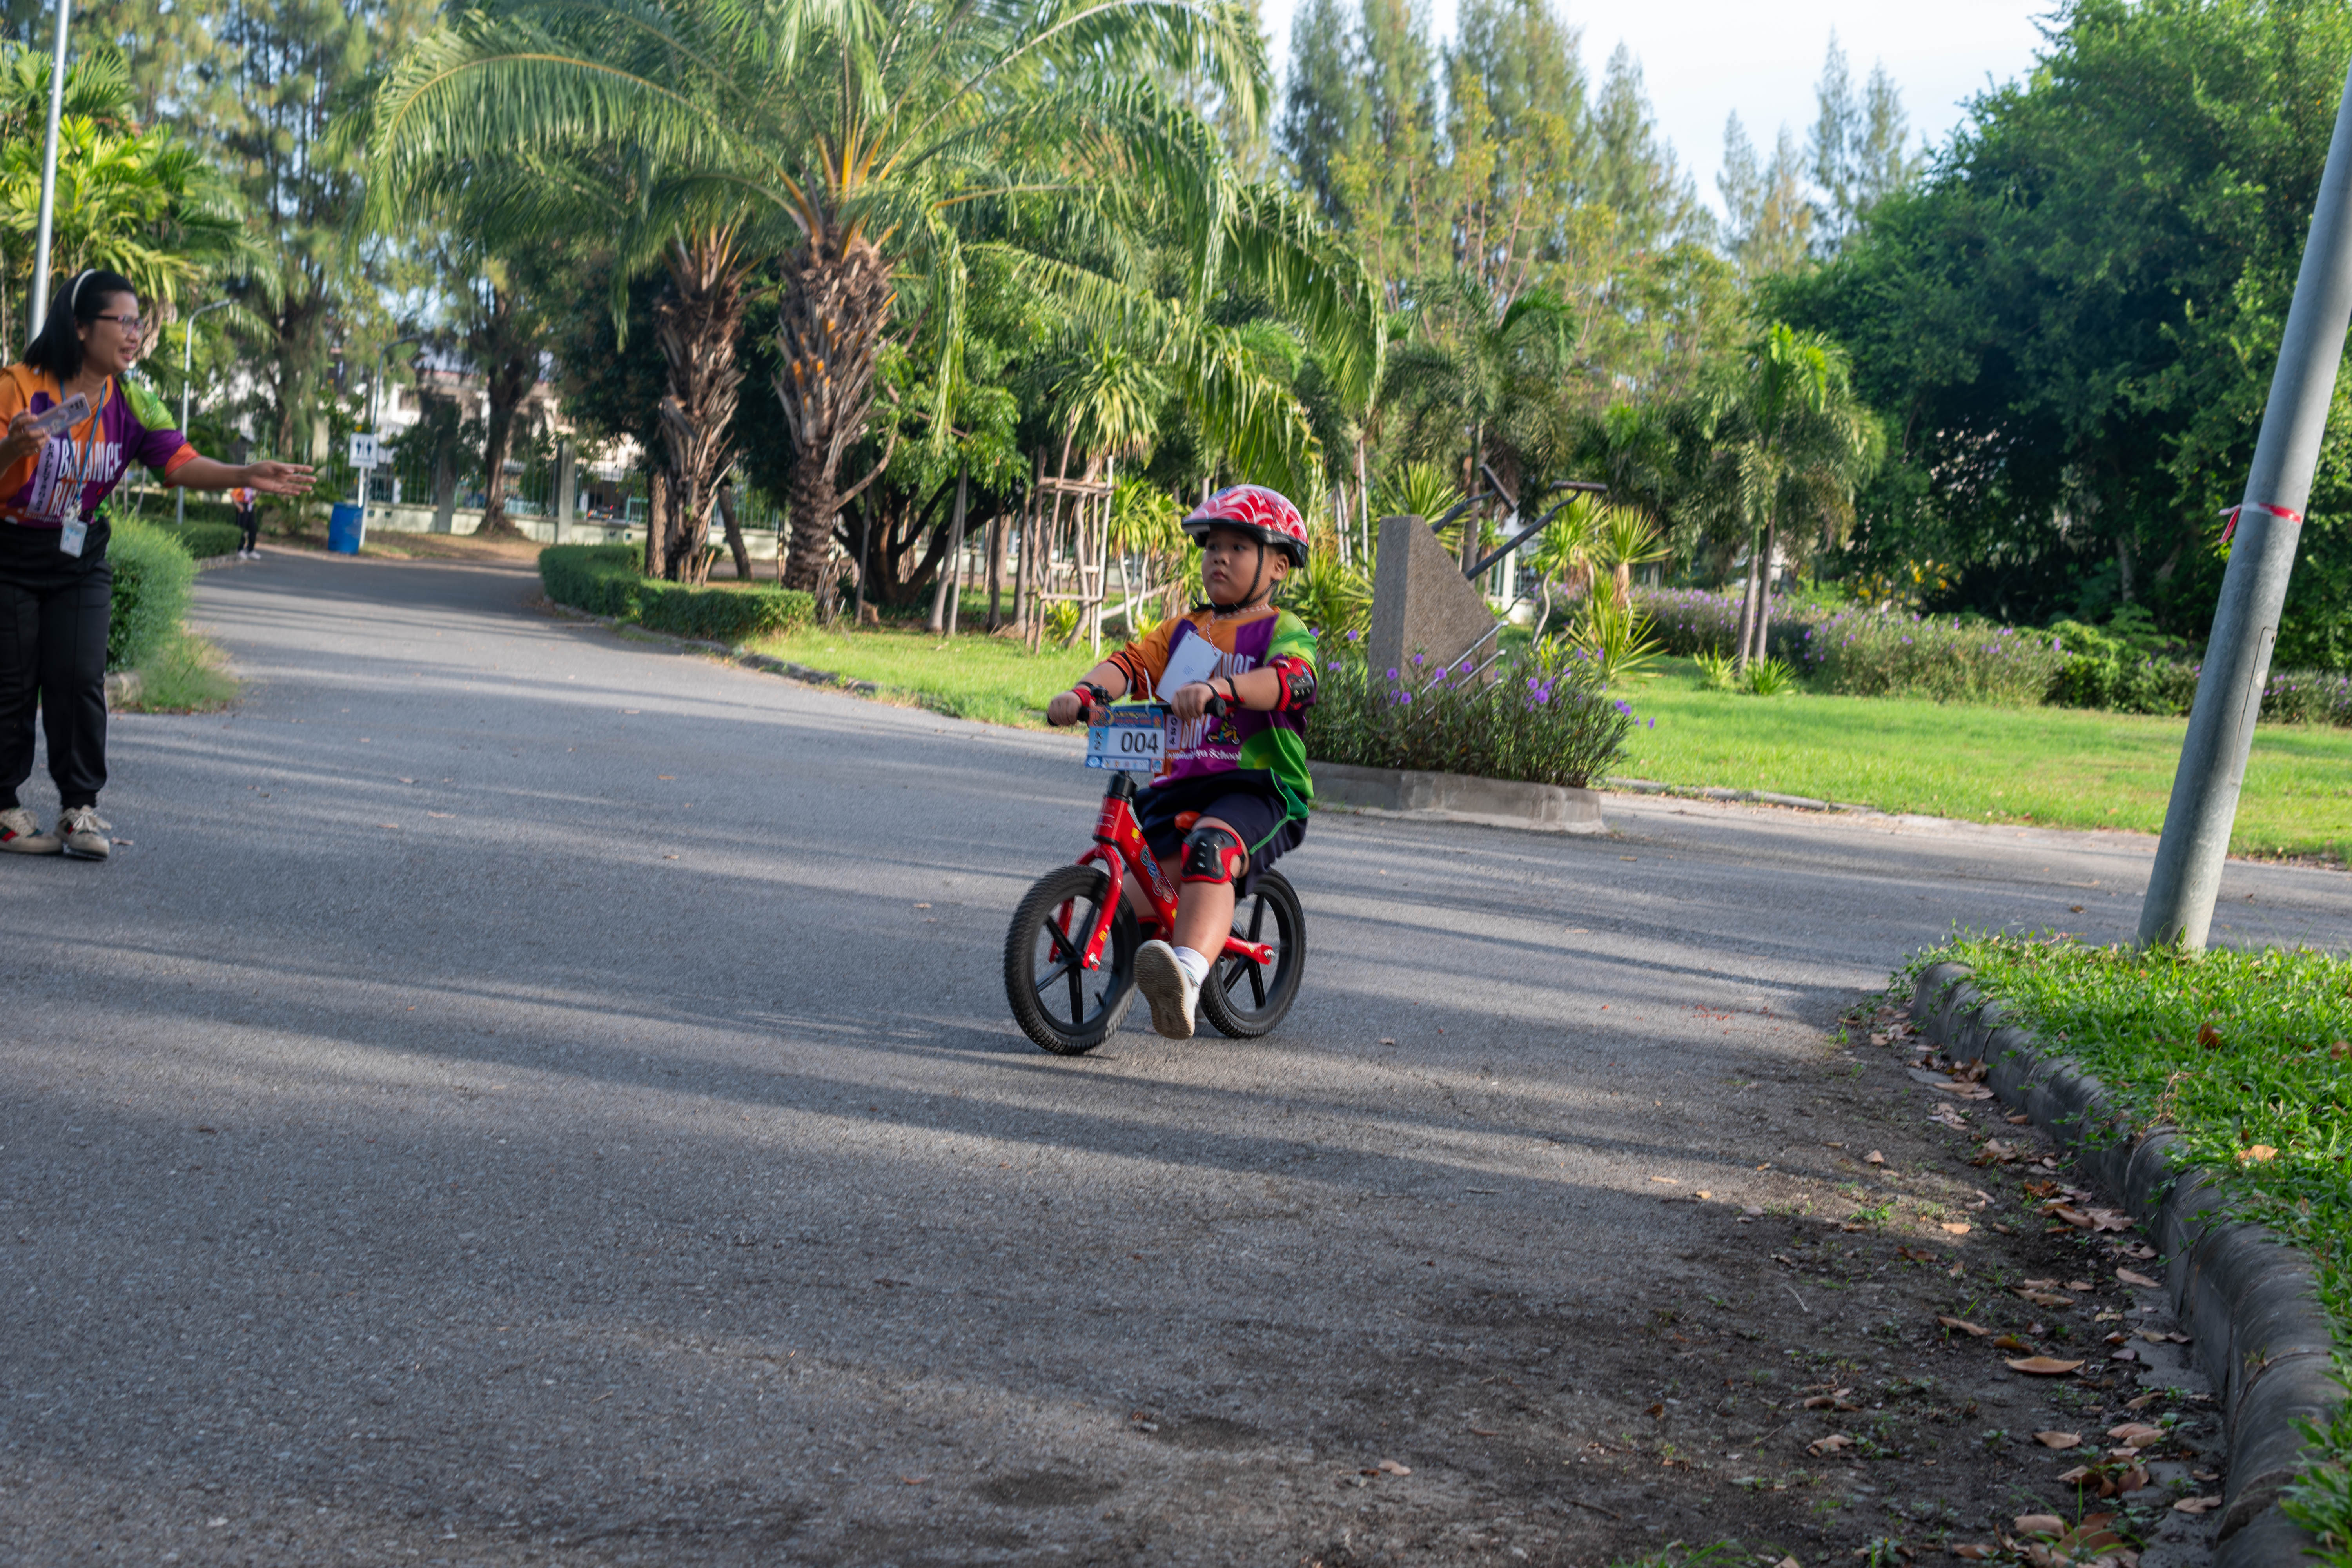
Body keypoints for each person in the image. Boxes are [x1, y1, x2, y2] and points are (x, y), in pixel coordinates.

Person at [0, 269, 314, 861]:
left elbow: (178, 462)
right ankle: (2, 810)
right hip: (11, 551)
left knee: (80, 679)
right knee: (12, 684)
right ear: (81, 327)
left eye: (138, 323)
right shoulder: (16, 387)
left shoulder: (132, 402)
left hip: (80, 553)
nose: (135, 334)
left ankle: (78, 809)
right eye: (123, 321)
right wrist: (13, 448)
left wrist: (244, 474)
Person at [1044, 484, 1318, 1040]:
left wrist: (1225, 689)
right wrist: (1084, 693)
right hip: (1181, 787)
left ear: (1279, 565)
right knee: (1135, 899)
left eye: (1239, 547)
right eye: (1212, 546)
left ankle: (1189, 977)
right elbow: (1129, 665)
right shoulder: (1183, 629)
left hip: (1257, 786)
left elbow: (1294, 680)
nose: (1220, 557)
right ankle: (1154, 967)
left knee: (1212, 848)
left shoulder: (1280, 628)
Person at [230, 484, 259, 559]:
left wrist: (257, 494)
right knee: (242, 529)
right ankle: (240, 549)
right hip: (243, 506)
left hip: (250, 507)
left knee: (253, 528)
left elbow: (251, 499)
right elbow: (233, 496)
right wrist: (238, 506)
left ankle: (251, 550)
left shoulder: (251, 488)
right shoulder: (241, 486)